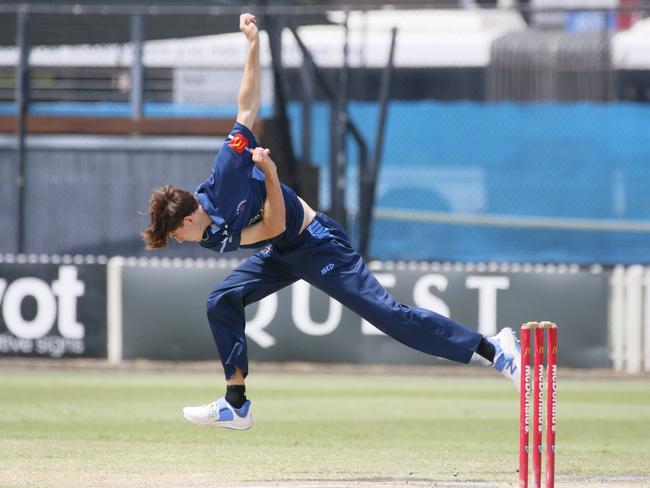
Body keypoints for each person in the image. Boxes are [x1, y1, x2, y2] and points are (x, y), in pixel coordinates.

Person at [142, 13, 521, 431]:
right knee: (222, 300)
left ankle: (494, 348)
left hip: (316, 242)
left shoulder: (226, 172)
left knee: (391, 316)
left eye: (179, 234)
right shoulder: (208, 236)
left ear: (192, 213)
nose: (182, 241)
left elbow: (247, 108)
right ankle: (236, 404)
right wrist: (270, 178)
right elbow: (268, 232)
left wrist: (253, 44)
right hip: (280, 247)